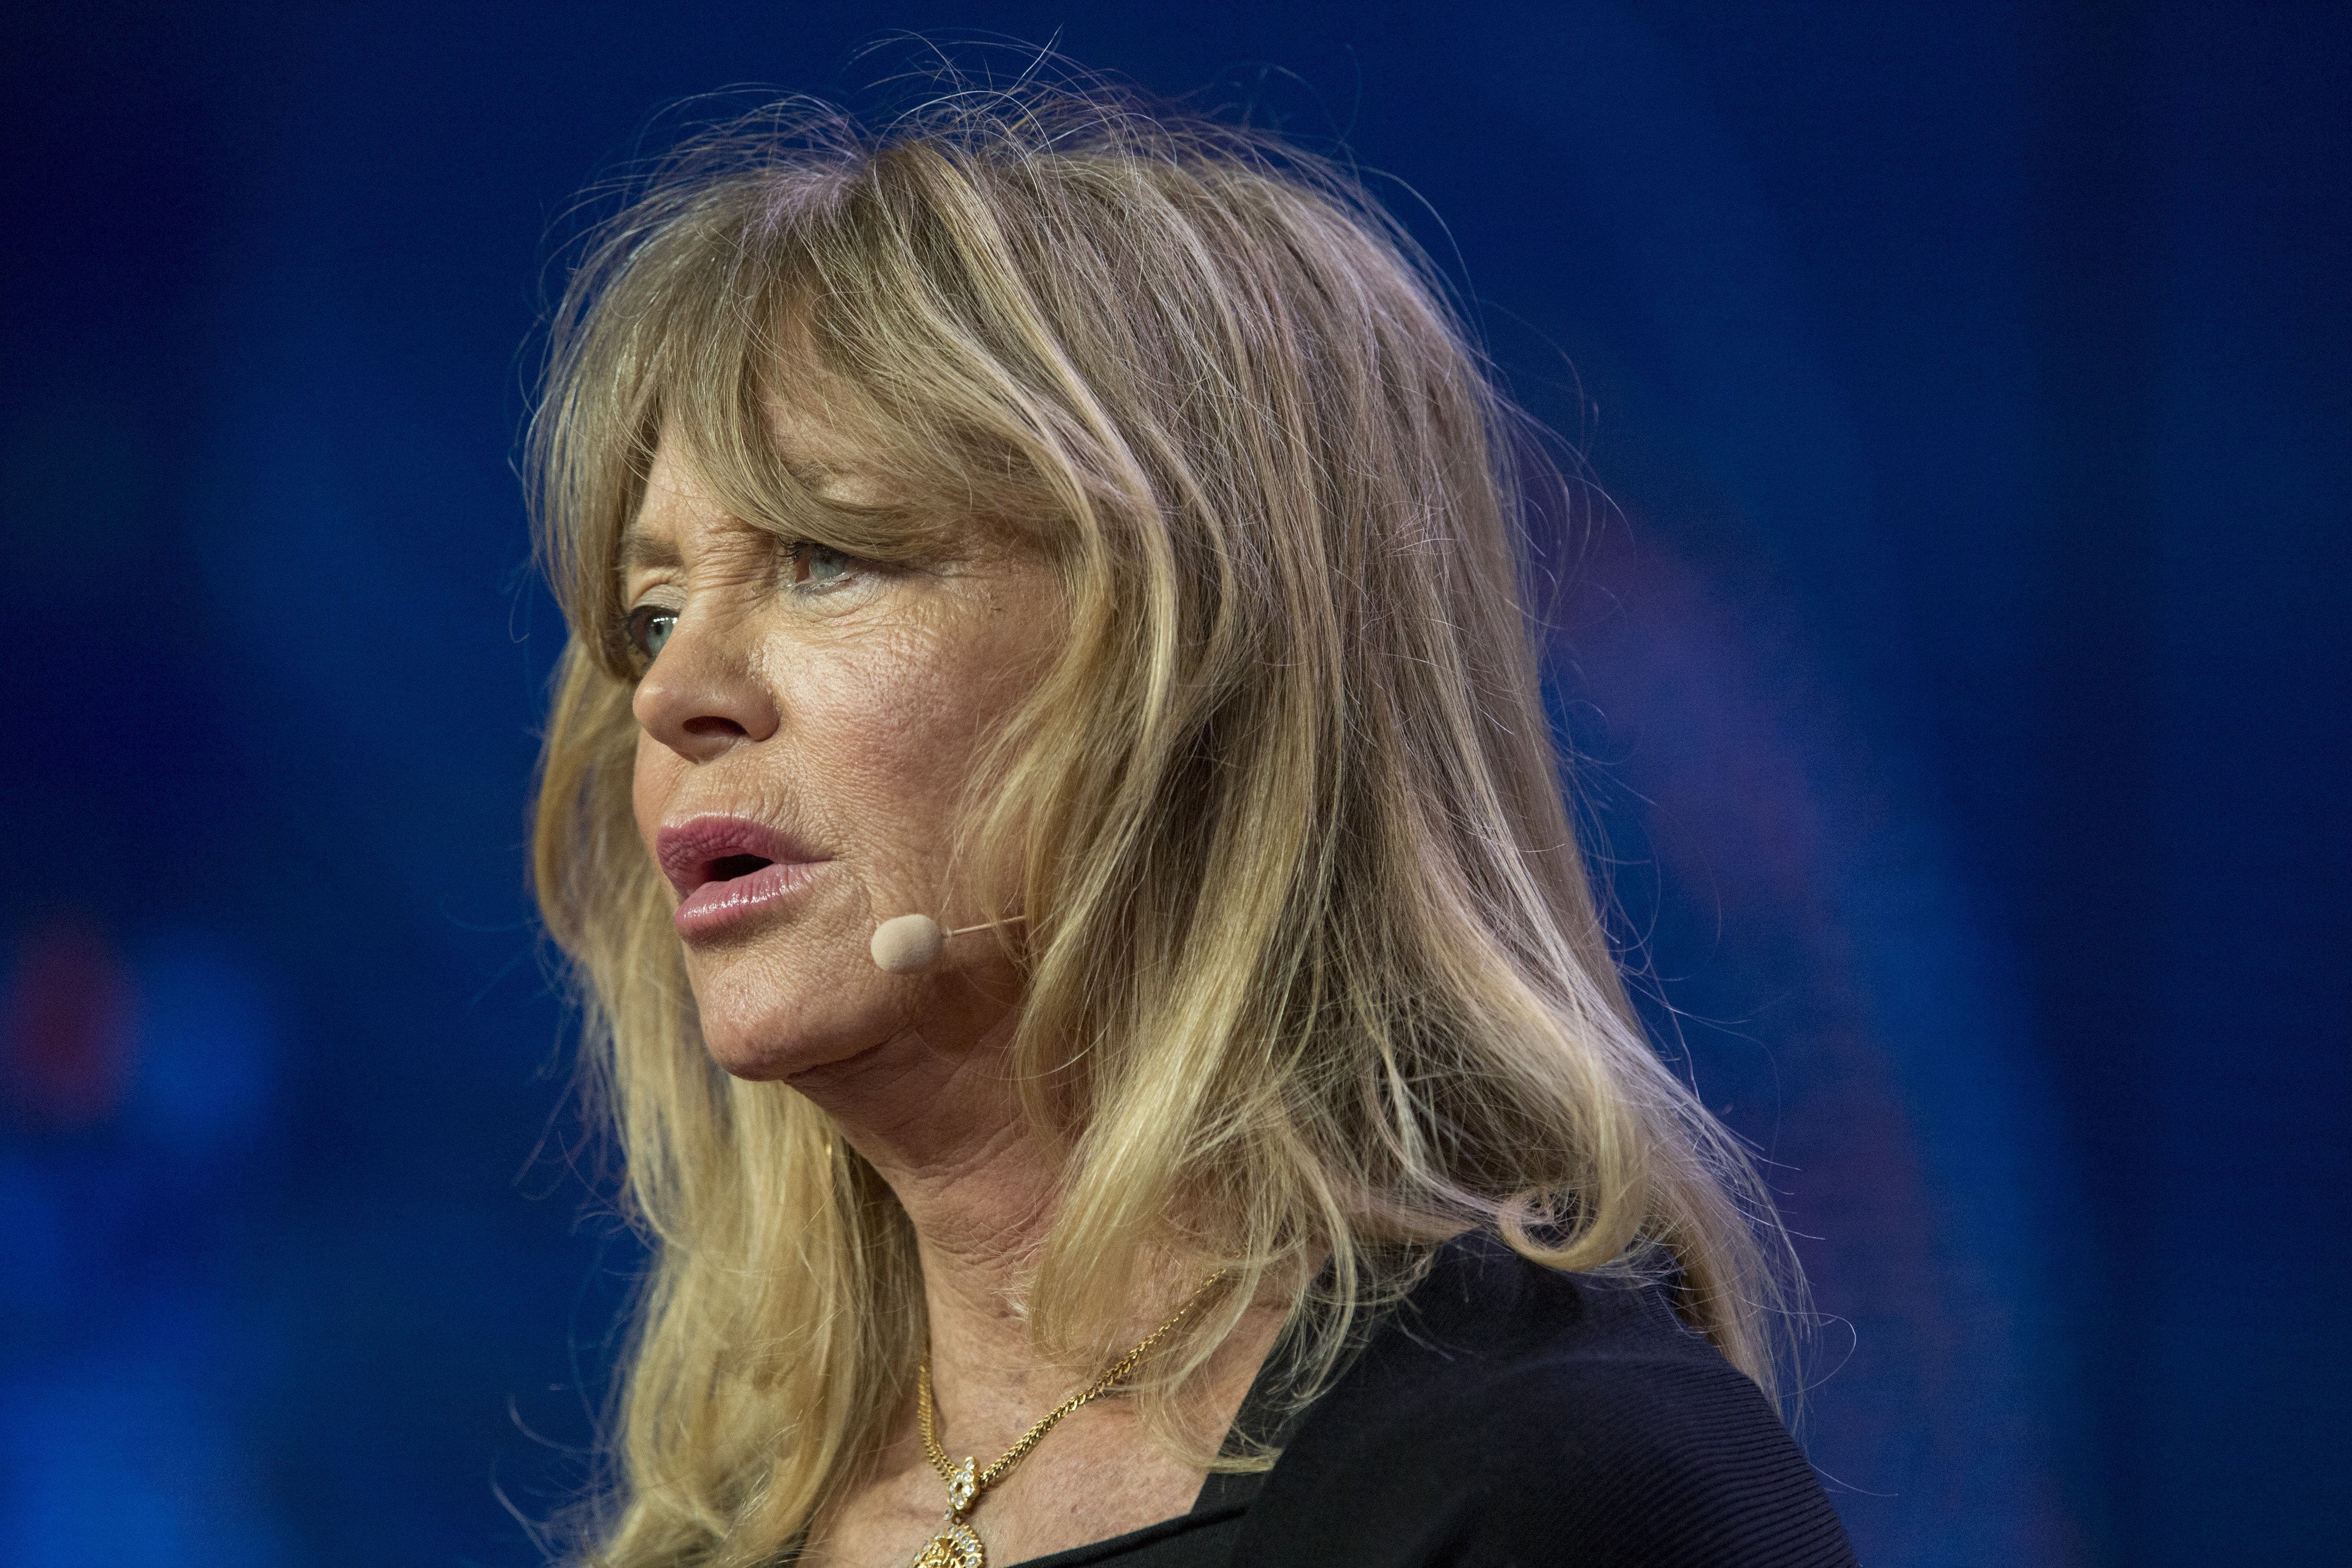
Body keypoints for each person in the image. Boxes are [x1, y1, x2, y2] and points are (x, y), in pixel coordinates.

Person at [526, 70, 1856, 1568]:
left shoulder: (1566, 1482)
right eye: (649, 614)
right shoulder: (717, 1531)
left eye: (827, 555)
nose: (673, 691)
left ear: (1197, 664)